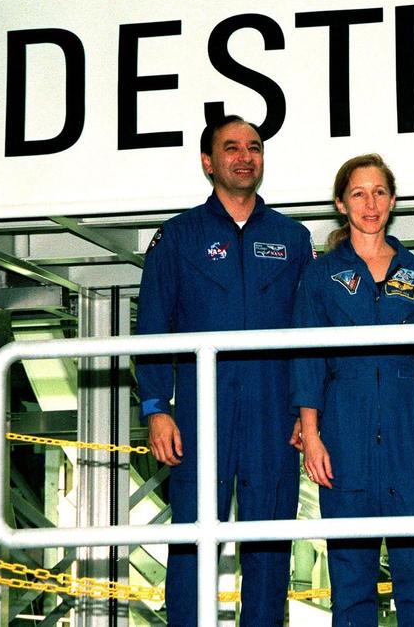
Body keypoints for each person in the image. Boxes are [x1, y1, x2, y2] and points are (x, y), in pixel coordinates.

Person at [136, 115, 313, 627]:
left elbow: (308, 331)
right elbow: (152, 327)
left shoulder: (292, 237)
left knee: (270, 543)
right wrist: (156, 408)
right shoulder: (177, 237)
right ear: (208, 162)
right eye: (231, 148)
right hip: (197, 409)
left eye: (254, 147)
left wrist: (307, 409)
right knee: (192, 537)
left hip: (273, 411)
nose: (244, 156)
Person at [290, 154, 414, 627]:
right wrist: (312, 434)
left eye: (379, 192)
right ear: (341, 203)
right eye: (359, 193)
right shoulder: (320, 276)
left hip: (410, 429)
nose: (370, 203)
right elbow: (306, 357)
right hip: (345, 428)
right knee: (351, 582)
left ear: (393, 200)